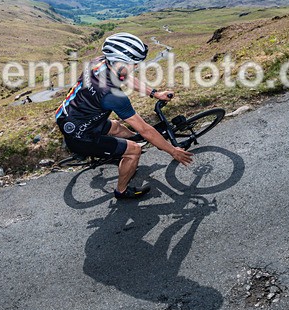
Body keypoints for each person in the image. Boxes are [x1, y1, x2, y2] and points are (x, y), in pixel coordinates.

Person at [55, 32, 193, 200]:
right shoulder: (113, 96)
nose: (136, 66)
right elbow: (145, 130)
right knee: (134, 151)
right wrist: (172, 151)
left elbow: (125, 78)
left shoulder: (98, 62)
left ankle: (122, 150)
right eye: (134, 63)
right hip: (81, 134)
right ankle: (121, 191)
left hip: (71, 115)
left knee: (117, 127)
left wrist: (155, 93)